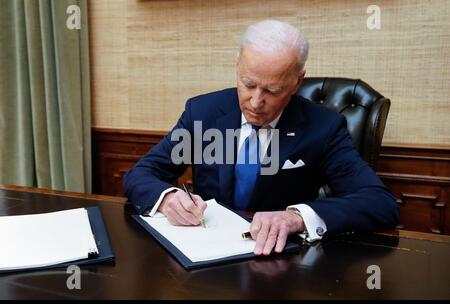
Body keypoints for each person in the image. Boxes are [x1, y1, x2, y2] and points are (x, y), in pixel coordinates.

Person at [124, 20, 399, 256]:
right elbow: (141, 175)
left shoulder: (323, 127)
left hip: (280, 261)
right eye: (248, 84)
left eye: (273, 90)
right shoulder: (203, 113)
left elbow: (379, 202)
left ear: (297, 82)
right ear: (237, 66)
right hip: (204, 254)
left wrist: (297, 217)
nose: (256, 102)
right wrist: (168, 196)